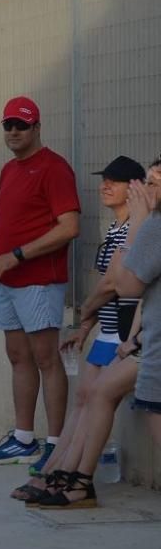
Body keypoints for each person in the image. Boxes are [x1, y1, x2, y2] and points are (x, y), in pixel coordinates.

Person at [8, 156, 145, 506]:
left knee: (96, 398)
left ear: (135, 188)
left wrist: (87, 309)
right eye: (105, 179)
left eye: (115, 181)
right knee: (84, 399)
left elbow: (114, 284)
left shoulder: (137, 229)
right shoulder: (115, 229)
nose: (105, 186)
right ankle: (56, 471)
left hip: (124, 336)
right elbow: (107, 284)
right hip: (108, 331)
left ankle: (74, 477)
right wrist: (86, 326)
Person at [0, 96, 81, 474]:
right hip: (6, 280)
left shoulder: (54, 168)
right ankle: (22, 438)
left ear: (37, 128)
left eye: (22, 125)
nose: (14, 132)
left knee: (46, 359)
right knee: (18, 357)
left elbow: (69, 227)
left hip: (38, 280)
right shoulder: (9, 170)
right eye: (9, 126)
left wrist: (16, 255)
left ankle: (56, 443)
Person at [115, 157, 161, 445]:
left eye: (153, 184)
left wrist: (138, 224)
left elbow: (125, 286)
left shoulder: (155, 227)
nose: (145, 190)